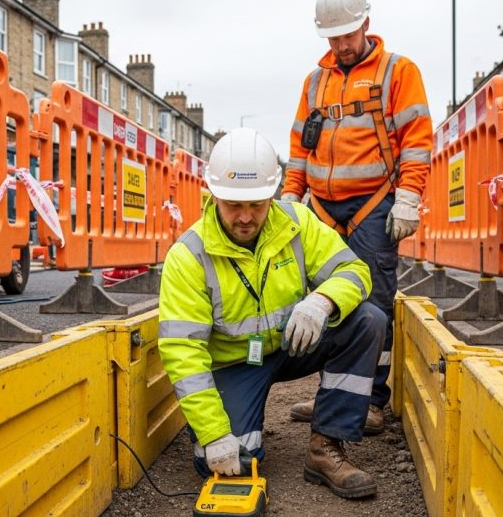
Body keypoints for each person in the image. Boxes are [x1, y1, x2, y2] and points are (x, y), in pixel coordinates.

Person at [158, 128, 387, 498]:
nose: (246, 217)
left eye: (257, 204)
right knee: (230, 460)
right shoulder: (189, 256)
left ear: (273, 195)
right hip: (235, 363)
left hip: (292, 343)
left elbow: (355, 271)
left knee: (367, 321)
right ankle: (225, 428)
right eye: (234, 204)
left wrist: (322, 301)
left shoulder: (297, 222)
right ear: (214, 194)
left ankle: (325, 447)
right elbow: (184, 354)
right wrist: (214, 433)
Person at [281, 0, 433, 434]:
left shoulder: (397, 72)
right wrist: (291, 197)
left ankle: (372, 401)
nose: (342, 46)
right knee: (324, 300)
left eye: (348, 35)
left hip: (373, 206)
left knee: (373, 304)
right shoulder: (315, 82)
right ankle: (334, 394)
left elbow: (417, 141)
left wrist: (408, 196)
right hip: (322, 210)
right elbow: (299, 147)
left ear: (366, 23)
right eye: (333, 38)